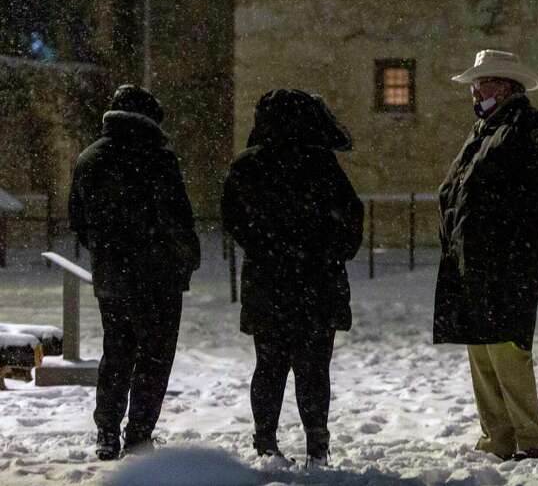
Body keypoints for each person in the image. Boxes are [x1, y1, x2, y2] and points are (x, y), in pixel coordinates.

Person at [220, 89, 362, 467]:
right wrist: (324, 251)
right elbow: (351, 222)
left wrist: (269, 248)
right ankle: (316, 443)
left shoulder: (248, 165)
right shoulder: (322, 164)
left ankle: (266, 440)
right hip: (317, 285)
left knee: (269, 367)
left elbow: (235, 220)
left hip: (269, 284)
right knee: (313, 368)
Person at [434, 50, 538, 461]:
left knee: (507, 350)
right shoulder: (485, 128)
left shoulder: (527, 126)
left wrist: (497, 229)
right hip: (472, 259)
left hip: (505, 260)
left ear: (504, 86)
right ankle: (497, 437)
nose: (475, 91)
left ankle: (531, 440)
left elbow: (537, 189)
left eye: (482, 83)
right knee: (481, 348)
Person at [68, 84, 201, 460]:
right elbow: (177, 217)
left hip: (113, 276)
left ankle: (107, 431)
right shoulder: (159, 159)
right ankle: (139, 434)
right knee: (154, 359)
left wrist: (108, 250)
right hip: (158, 278)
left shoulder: (89, 159)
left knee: (117, 353)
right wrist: (185, 257)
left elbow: (78, 220)